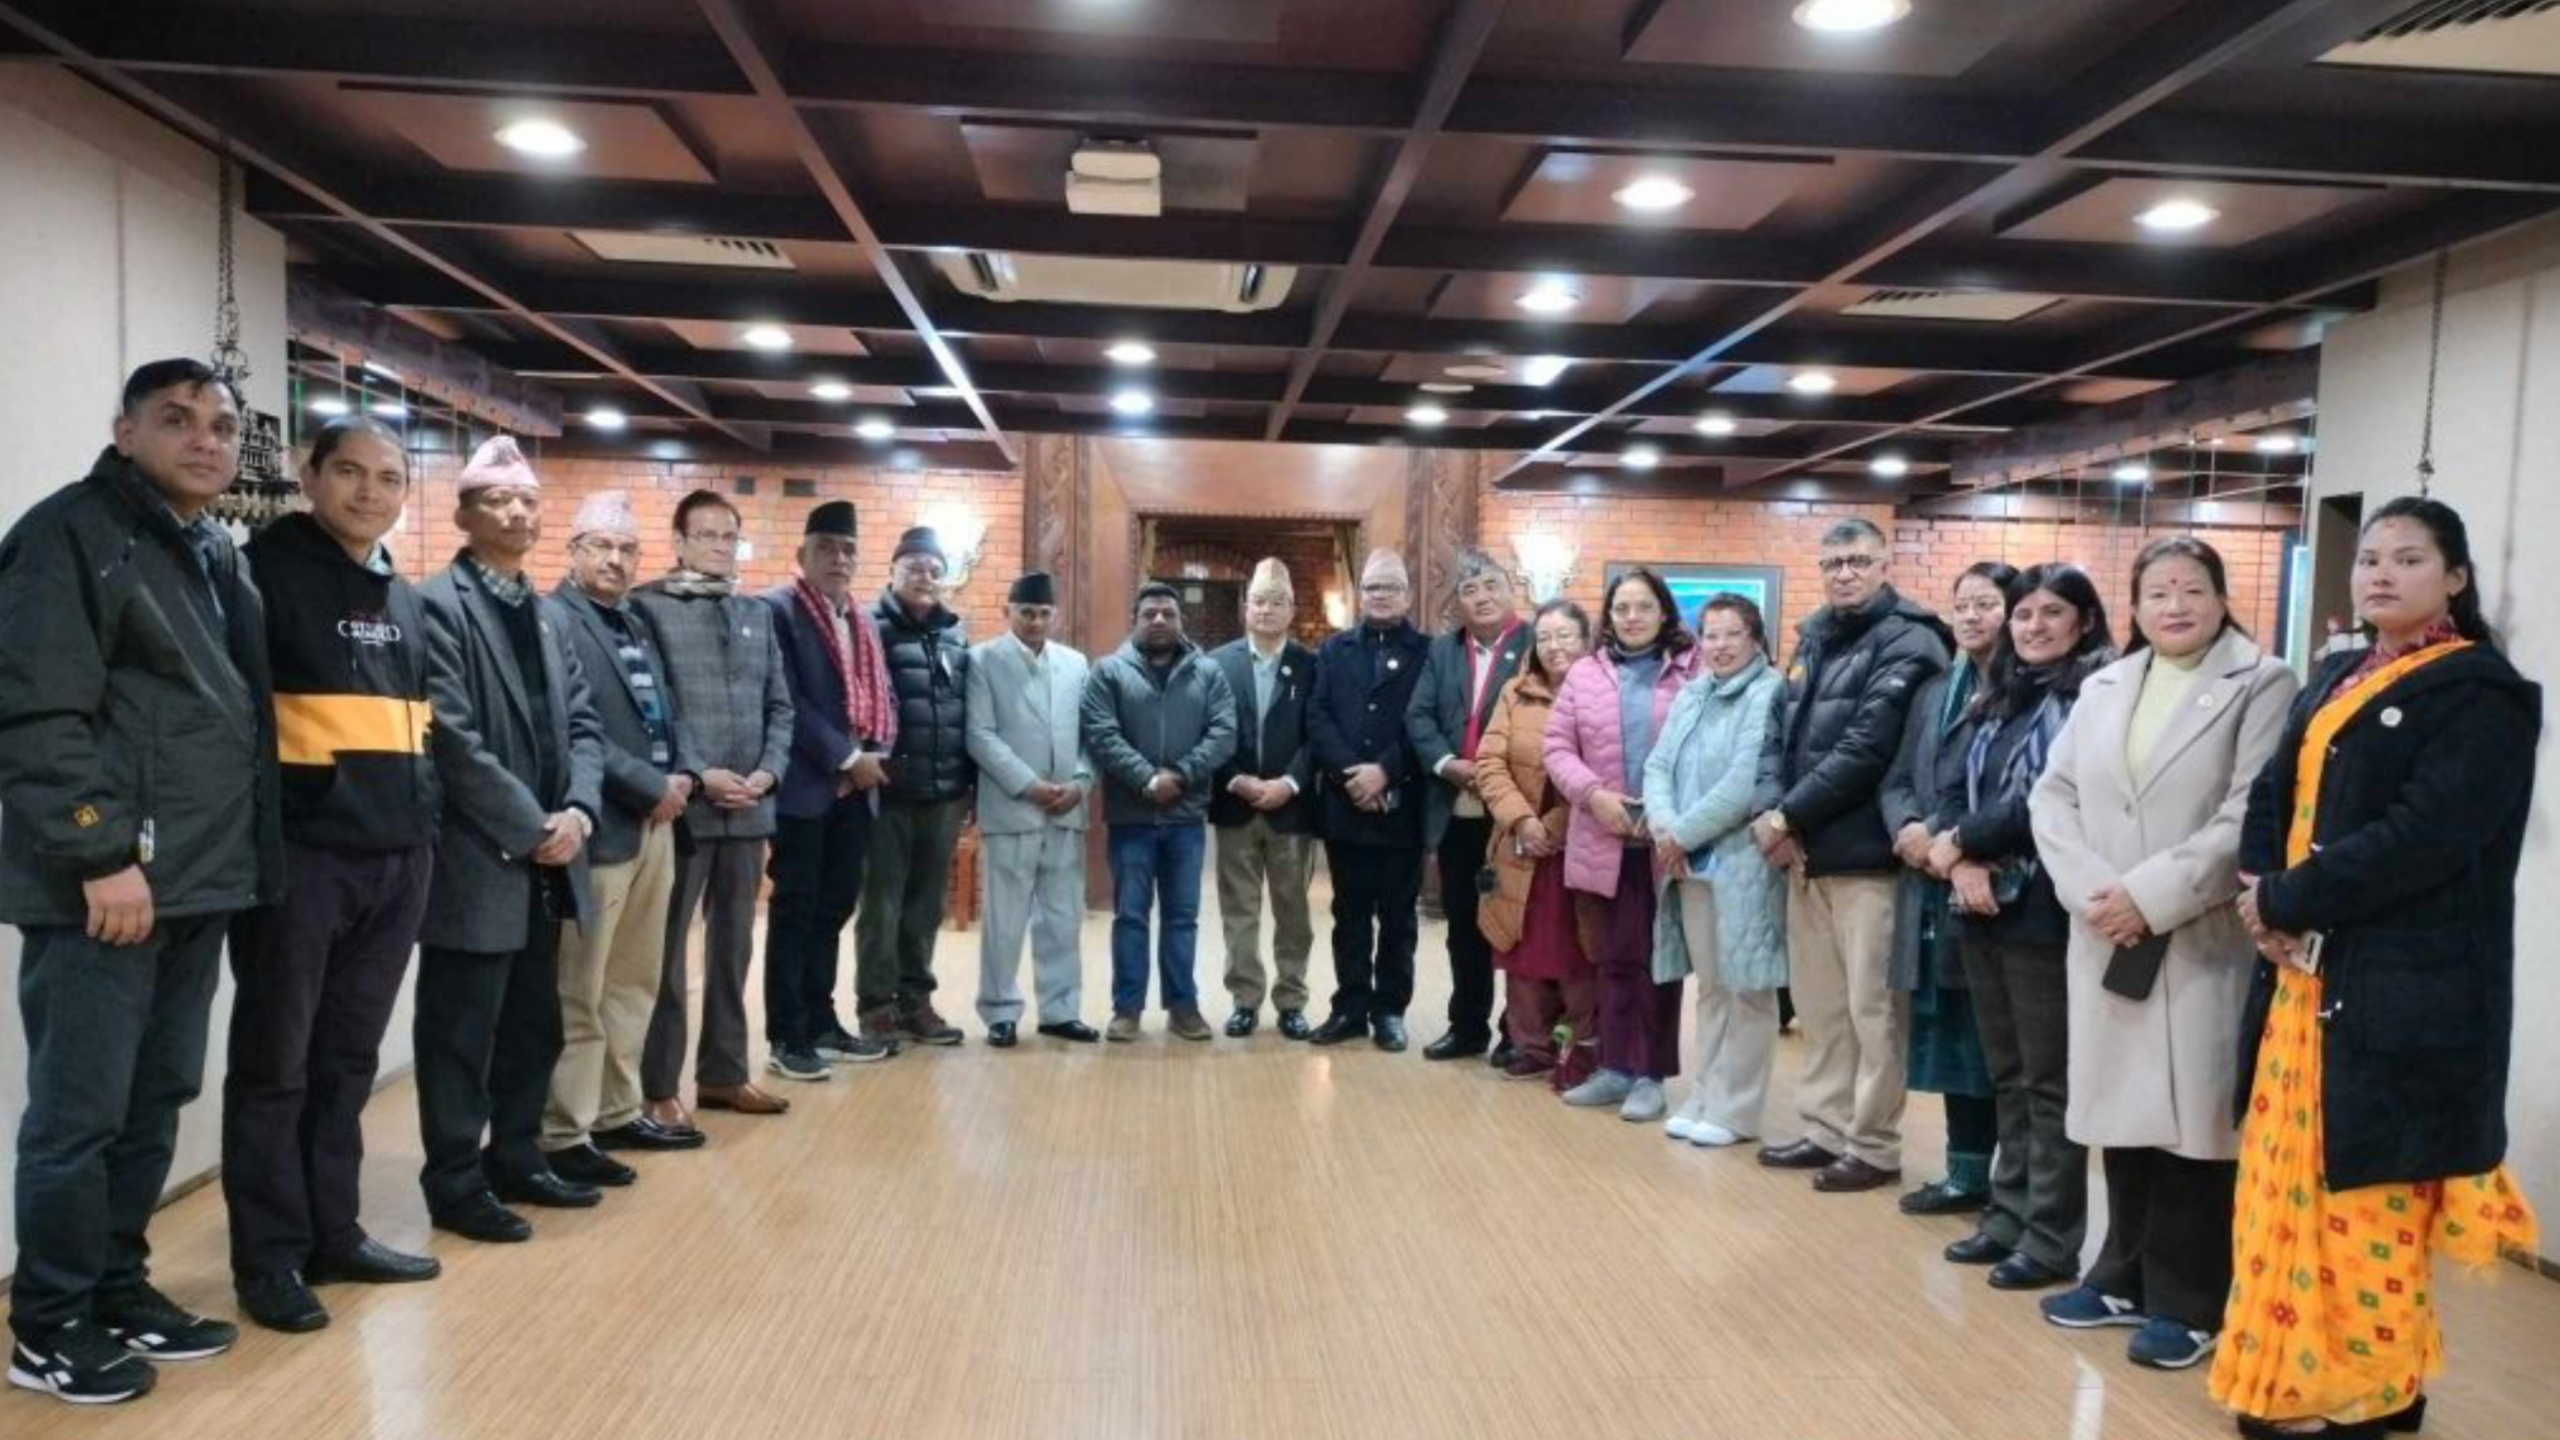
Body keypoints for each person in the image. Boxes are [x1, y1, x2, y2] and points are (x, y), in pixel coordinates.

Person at [2217, 498, 2541, 1439]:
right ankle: (2307, 1373)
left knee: (2368, 1195)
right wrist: (2261, 892)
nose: (2382, 575)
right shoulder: (2337, 676)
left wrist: (2289, 897)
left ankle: (2363, 1392)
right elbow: (2273, 793)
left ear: (2456, 578)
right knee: (2290, 1186)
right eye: (2369, 560)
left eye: (2409, 559)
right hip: (2305, 982)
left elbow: (2424, 837)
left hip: (2403, 990)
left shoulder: (2481, 694)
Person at [0, 360, 281, 1402]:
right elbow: (36, 712)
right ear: (125, 432)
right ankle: (48, 1323)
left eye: (222, 425)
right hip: (107, 885)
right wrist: (99, 853)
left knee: (154, 1098)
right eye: (177, 419)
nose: (206, 439)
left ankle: (115, 1286)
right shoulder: (70, 534)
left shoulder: (209, 549)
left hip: (194, 880)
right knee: (79, 1116)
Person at [2029, 538, 2298, 1371]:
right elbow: (2053, 795)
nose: (2174, 606)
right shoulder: (2105, 684)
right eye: (2157, 592)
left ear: (2221, 597)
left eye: (2192, 590)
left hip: (2195, 931)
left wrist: (2148, 896)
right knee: (2122, 1109)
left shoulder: (2263, 681)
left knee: (2196, 1124)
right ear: (2136, 606)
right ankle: (2121, 1276)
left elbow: (2250, 813)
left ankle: (2190, 1299)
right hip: (2105, 926)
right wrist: (2094, 892)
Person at [224, 417, 443, 1336]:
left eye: (388, 478)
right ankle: (270, 1258)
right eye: (348, 471)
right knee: (275, 1065)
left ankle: (333, 1232)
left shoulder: (402, 596)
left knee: (347, 1060)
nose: (368, 492)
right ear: (307, 475)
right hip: (303, 859)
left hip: (398, 860)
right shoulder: (257, 576)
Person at [412, 435, 604, 1244]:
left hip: (552, 855)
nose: (518, 512)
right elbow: (450, 737)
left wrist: (579, 812)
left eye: (528, 500)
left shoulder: (548, 615)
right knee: (461, 1030)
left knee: (535, 1021)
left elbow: (585, 724)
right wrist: (531, 826)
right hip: (477, 856)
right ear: (463, 514)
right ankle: (455, 1181)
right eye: (498, 500)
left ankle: (518, 1156)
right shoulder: (435, 605)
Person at [1928, 562, 2114, 1292]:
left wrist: (1962, 843)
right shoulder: (1998, 694)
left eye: (2051, 613)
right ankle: (2006, 1217)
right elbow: (1952, 781)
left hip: (2044, 908)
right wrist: (1962, 861)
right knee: (2005, 1073)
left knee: (2048, 1080)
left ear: (2085, 621)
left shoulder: (2093, 695)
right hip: (1978, 902)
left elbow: (2047, 798)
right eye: (2025, 614)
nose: (2035, 626)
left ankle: (2051, 1236)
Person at [1753, 517, 1950, 1194]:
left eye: (1858, 561)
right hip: (1806, 854)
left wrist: (1787, 814)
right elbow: (1776, 734)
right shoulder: (1813, 634)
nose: (1845, 573)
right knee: (1821, 1008)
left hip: (1869, 857)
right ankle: (1824, 1128)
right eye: (1834, 562)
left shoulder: (1911, 639)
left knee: (1874, 1013)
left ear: (1885, 564)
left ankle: (1873, 1144)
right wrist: (1772, 814)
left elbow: (1868, 747)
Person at [632, 488, 794, 1130]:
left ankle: (724, 1073)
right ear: (678, 542)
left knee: (734, 948)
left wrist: (768, 773)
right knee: (667, 952)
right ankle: (658, 1086)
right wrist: (702, 775)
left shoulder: (756, 612)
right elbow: (656, 705)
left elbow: (780, 705)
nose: (721, 547)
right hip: (686, 808)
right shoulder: (649, 608)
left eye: (731, 536)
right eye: (707, 535)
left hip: (750, 808)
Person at [539, 492, 687, 1191]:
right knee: (582, 987)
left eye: (627, 549)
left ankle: (616, 1111)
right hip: (600, 824)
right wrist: (649, 784)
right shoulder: (554, 619)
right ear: (573, 550)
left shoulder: (633, 620)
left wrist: (681, 775)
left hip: (657, 824)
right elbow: (575, 727)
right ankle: (564, 1129)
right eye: (601, 545)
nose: (615, 559)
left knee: (634, 980)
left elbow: (664, 711)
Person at [1544, 568, 1703, 1121]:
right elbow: (1557, 748)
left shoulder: (1693, 670)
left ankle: (1650, 1075)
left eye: (1643, 606)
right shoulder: (1585, 673)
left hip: (1668, 840)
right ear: (1608, 617)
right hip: (1603, 838)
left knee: (1659, 962)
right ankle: (1614, 1068)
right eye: (1621, 608)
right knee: (1613, 959)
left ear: (1664, 612)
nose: (1632, 617)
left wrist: (1671, 811)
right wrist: (1594, 797)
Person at [1882, 562, 2015, 1220]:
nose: (1970, 616)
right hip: (1927, 882)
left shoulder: (2027, 691)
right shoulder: (1936, 689)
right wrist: (1907, 828)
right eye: (1961, 605)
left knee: (1997, 1043)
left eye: (1986, 604)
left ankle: (2012, 1190)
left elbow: (2006, 789)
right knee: (1950, 1035)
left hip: (1990, 881)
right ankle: (1964, 1174)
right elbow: (1898, 777)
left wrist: (1941, 835)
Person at [760, 500, 897, 1084]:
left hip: (857, 791)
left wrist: (878, 752)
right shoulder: (778, 610)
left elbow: (883, 694)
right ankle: (786, 1034)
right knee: (796, 909)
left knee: (835, 907)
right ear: (803, 554)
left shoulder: (862, 619)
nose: (838, 559)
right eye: (826, 549)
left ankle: (821, 1022)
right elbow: (786, 698)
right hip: (804, 787)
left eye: (848, 550)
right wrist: (846, 757)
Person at [1643, 594, 1787, 1148]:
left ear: (1755, 639)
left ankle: (1736, 1110)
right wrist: (1664, 828)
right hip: (1686, 861)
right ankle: (1705, 1095)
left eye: (1732, 634)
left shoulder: (1768, 691)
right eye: (1710, 634)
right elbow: (1658, 766)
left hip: (1742, 861)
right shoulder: (1693, 692)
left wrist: (1680, 834)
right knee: (1710, 988)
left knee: (1746, 986)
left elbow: (1743, 782)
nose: (1720, 645)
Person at [1081, 583, 1238, 1041]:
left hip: (1186, 819)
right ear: (1135, 619)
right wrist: (1148, 779)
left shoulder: (1208, 673)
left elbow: (1224, 732)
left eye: (1168, 613)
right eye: (1149, 613)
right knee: (1130, 916)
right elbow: (1101, 733)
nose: (1159, 620)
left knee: (1182, 918)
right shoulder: (1108, 672)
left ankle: (1183, 1007)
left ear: (1180, 620)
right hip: (1131, 817)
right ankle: (1127, 1008)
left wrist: (1181, 775)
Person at [1407, 550, 1531, 1065]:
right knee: (1463, 920)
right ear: (1457, 602)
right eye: (1469, 590)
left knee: (1517, 922)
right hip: (1456, 802)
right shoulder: (1443, 650)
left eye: (1490, 585)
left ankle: (1520, 1030)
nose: (1481, 597)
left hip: (1516, 807)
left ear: (1510, 589)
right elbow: (1418, 716)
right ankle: (1467, 1025)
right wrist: (1446, 764)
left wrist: (1494, 773)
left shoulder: (1535, 645)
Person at [1307, 550, 1433, 1051]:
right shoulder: (1334, 649)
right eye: (1372, 587)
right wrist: (1353, 778)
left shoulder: (1429, 652)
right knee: (1350, 915)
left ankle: (1390, 1011)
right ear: (1360, 595)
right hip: (1345, 807)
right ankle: (1350, 1008)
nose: (1381, 595)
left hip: (1403, 805)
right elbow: (1318, 717)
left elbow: (1429, 721)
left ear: (1408, 595)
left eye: (1391, 587)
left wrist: (1384, 771)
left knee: (1398, 919)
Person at [965, 572, 1098, 1046]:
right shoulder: (982, 660)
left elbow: (1092, 733)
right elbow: (980, 735)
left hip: (1066, 811)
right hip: (1012, 808)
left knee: (1062, 918)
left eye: (1044, 613)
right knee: (1004, 920)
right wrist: (1029, 785)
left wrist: (1081, 782)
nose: (1036, 621)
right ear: (1008, 612)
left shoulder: (1075, 663)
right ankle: (1000, 1011)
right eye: (1026, 612)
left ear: (1054, 615)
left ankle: (1060, 1011)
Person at [854, 526, 971, 1049]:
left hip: (944, 793)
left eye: (934, 569)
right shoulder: (867, 627)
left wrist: (966, 784)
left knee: (926, 906)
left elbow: (964, 709)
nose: (925, 576)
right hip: (886, 793)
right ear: (893, 571)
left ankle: (915, 1001)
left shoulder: (955, 634)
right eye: (914, 567)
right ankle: (876, 1007)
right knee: (881, 905)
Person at [1476, 600, 1597, 1084]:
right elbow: (1489, 763)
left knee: (1577, 953)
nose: (1554, 646)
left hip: (1579, 845)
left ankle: (1579, 1050)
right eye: (1544, 637)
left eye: (1565, 635)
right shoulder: (1516, 691)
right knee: (1521, 949)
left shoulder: (1602, 693)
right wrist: (1523, 821)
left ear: (1586, 640)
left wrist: (1555, 826)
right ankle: (1532, 1045)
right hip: (1518, 843)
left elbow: (1607, 771)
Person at [1208, 559, 1319, 1040]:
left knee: (1293, 912)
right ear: (1245, 608)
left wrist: (1288, 783)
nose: (1267, 610)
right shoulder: (1217, 664)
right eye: (1259, 601)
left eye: (1277, 602)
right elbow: (1208, 733)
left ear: (1292, 610)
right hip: (1235, 805)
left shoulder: (1312, 666)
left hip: (1291, 810)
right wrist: (1236, 780)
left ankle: (1291, 1001)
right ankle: (1245, 999)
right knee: (1240, 911)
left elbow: (1318, 735)